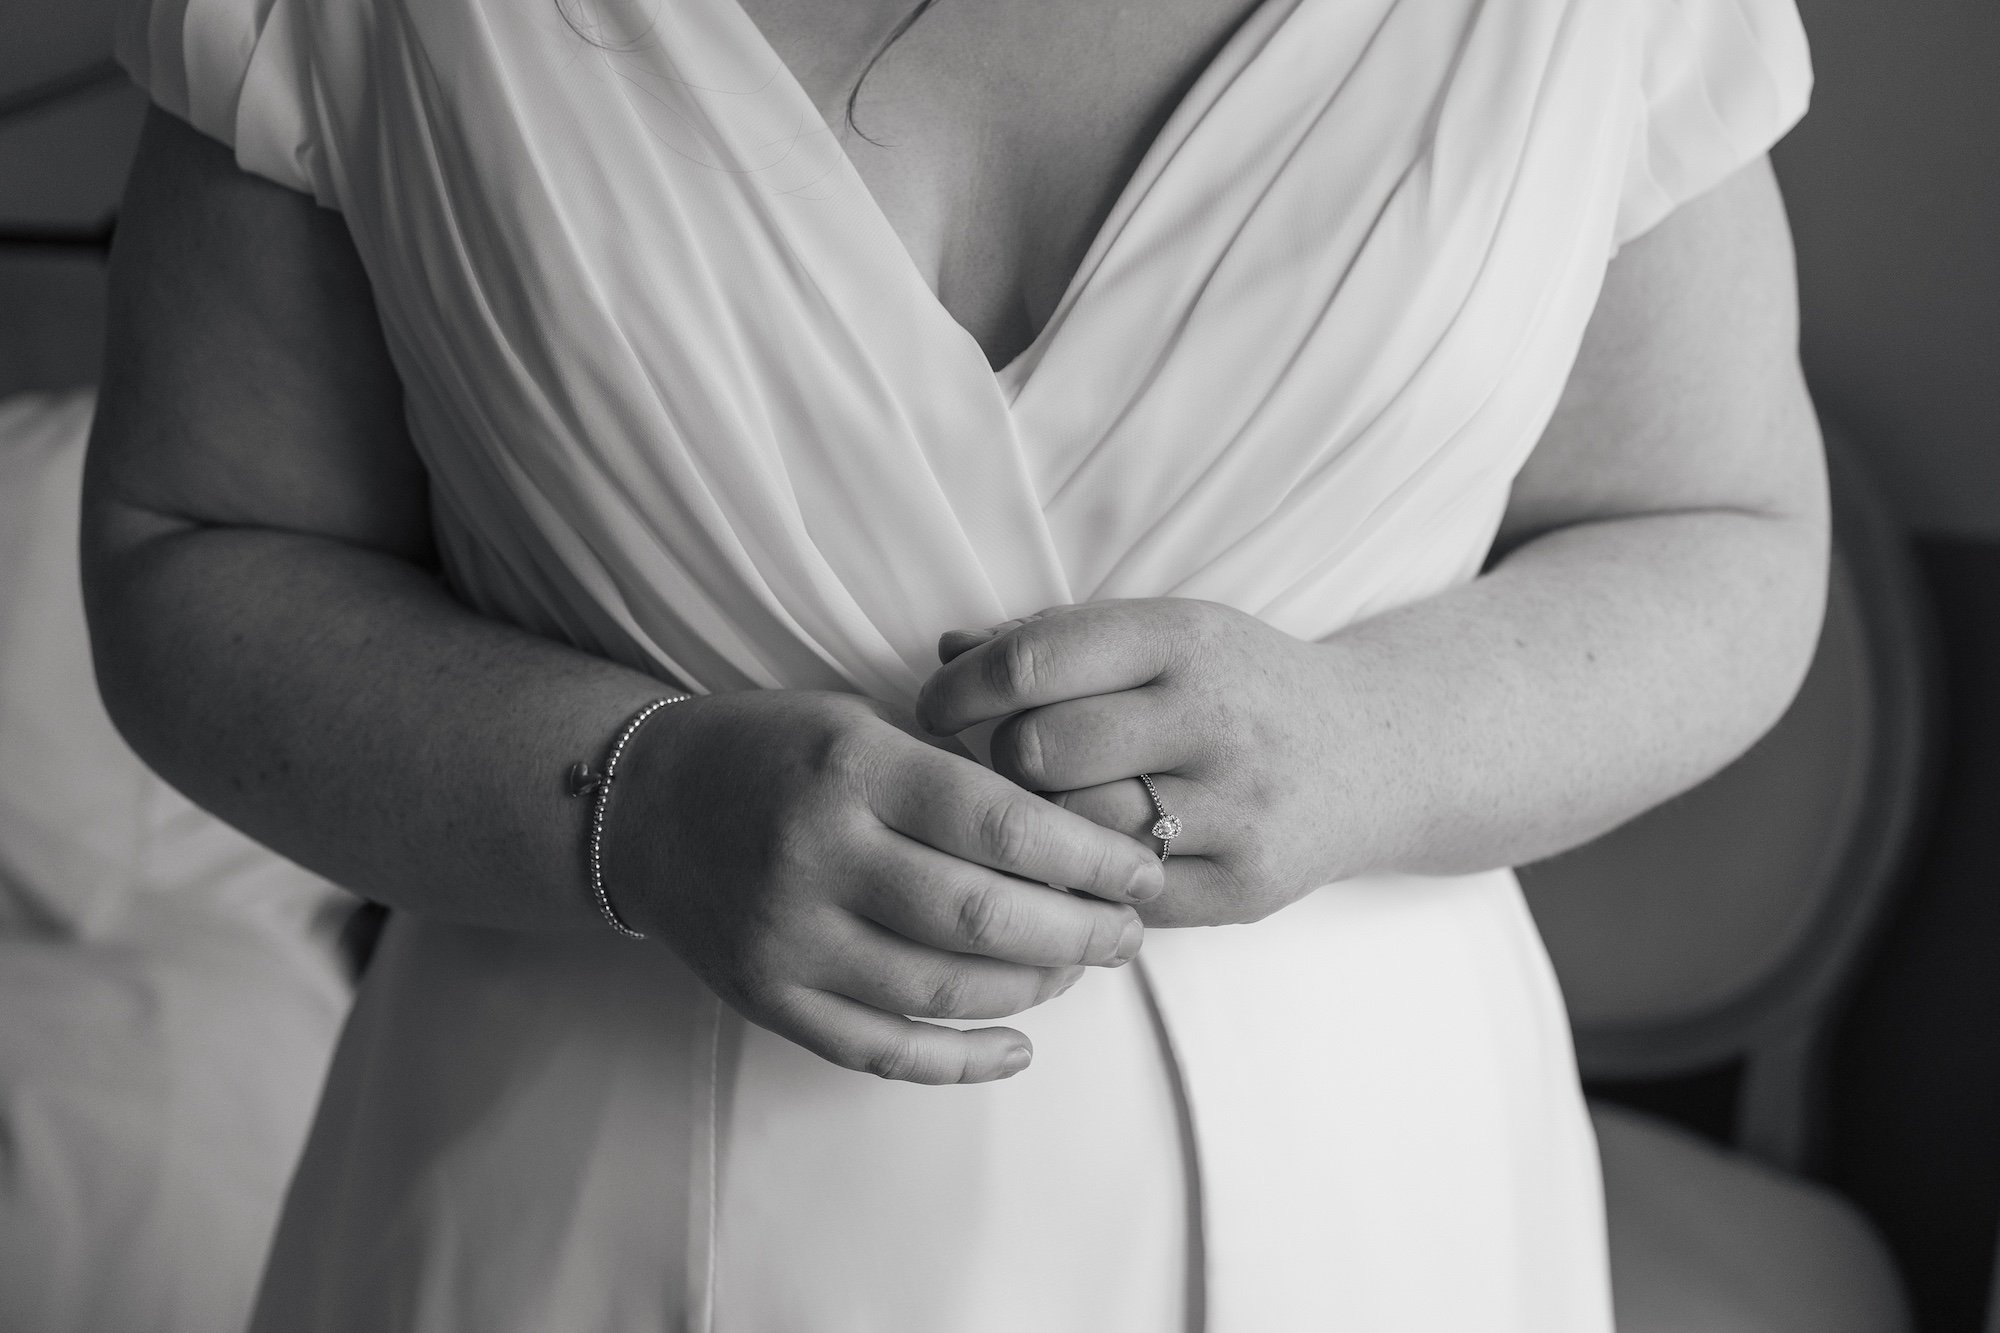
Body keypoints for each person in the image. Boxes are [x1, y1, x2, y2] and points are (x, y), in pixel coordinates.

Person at [82, 0, 1826, 1326]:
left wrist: (1376, 740)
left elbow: (1722, 529)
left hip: (1364, 1221)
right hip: (575, 1218)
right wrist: (643, 807)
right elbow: (195, 550)